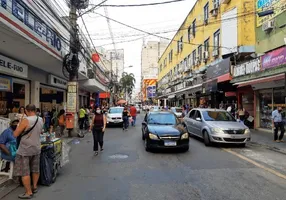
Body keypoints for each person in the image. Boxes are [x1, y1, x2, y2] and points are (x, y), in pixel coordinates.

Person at [13, 104, 43, 199]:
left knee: (24, 171)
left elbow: (15, 134)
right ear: (34, 110)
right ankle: (34, 187)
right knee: (35, 169)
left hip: (25, 150)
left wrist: (20, 123)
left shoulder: (26, 120)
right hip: (36, 148)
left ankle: (28, 192)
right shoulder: (40, 119)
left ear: (27, 110)